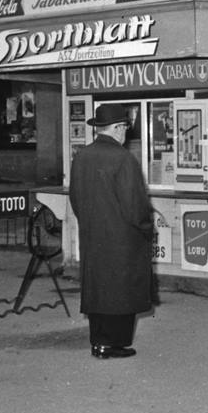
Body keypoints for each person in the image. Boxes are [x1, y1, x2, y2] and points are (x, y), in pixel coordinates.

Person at [69, 103, 155, 359]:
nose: (125, 133)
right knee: (121, 291)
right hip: (123, 238)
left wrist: (90, 223)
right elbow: (135, 204)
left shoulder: (82, 156)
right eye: (124, 127)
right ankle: (115, 344)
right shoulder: (123, 159)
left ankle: (99, 341)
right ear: (118, 128)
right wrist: (146, 228)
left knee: (98, 289)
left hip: (93, 236)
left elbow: (75, 198)